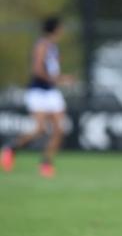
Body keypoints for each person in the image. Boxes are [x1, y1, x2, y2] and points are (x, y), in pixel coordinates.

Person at [1, 17, 73, 177]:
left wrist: (62, 78)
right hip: (38, 92)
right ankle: (10, 149)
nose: (62, 30)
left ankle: (46, 163)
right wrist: (60, 79)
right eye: (61, 27)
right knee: (40, 129)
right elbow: (38, 71)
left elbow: (52, 71)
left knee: (59, 130)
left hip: (51, 92)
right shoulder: (41, 45)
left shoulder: (54, 47)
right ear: (55, 29)